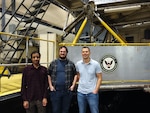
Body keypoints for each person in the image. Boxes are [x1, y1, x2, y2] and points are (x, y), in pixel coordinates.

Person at [47, 46, 78, 113]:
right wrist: (50, 86)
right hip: (55, 91)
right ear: (59, 52)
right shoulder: (53, 63)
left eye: (64, 52)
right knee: (55, 110)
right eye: (61, 51)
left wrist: (73, 86)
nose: (62, 53)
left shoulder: (71, 64)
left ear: (66, 53)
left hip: (67, 92)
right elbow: (48, 74)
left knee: (65, 110)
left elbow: (75, 74)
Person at [76, 46, 102, 113]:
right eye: (83, 52)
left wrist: (96, 90)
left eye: (86, 51)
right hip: (81, 93)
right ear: (81, 53)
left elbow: (99, 78)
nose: (85, 53)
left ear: (89, 53)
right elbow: (78, 75)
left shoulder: (96, 64)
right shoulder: (78, 64)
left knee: (94, 111)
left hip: (92, 93)